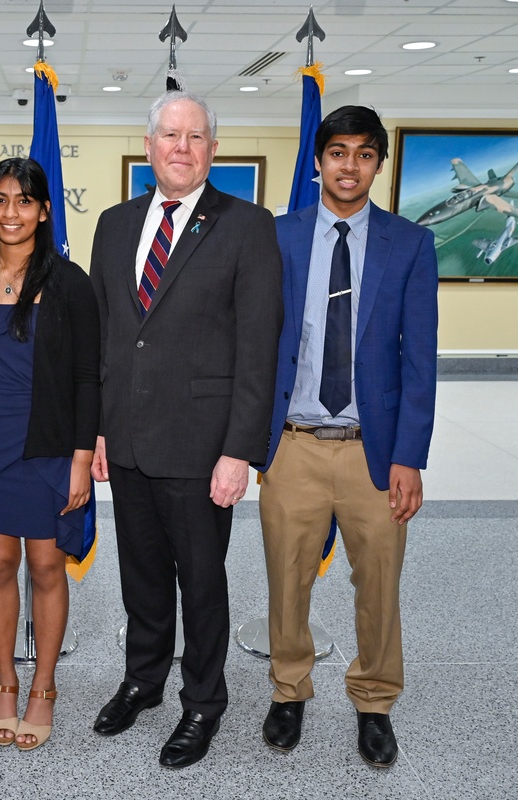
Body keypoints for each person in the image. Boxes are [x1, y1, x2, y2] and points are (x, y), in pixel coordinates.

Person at [89, 90, 283, 768]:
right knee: (140, 573)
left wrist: (239, 452)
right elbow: (107, 336)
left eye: (195, 136)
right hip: (130, 440)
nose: (182, 146)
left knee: (200, 581)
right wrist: (100, 429)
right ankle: (144, 679)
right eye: (170, 135)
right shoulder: (114, 224)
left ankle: (203, 702)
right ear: (148, 147)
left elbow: (260, 349)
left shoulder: (247, 225)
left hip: (204, 448)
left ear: (212, 150)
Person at [257, 105, 438, 768]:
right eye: (338, 152)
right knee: (288, 577)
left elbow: (421, 358)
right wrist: (256, 441)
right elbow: (256, 344)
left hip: (374, 449)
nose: (350, 166)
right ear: (318, 161)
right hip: (294, 443)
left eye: (364, 154)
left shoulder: (410, 244)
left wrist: (409, 458)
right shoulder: (279, 237)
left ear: (378, 166)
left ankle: (374, 698)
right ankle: (289, 687)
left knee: (379, 582)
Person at [0, 157, 100, 752]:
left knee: (45, 567)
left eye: (24, 200)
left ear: (43, 209)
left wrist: (82, 460)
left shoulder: (70, 282)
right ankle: (5, 682)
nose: (11, 212)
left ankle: (44, 685)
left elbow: (89, 377)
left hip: (49, 446)